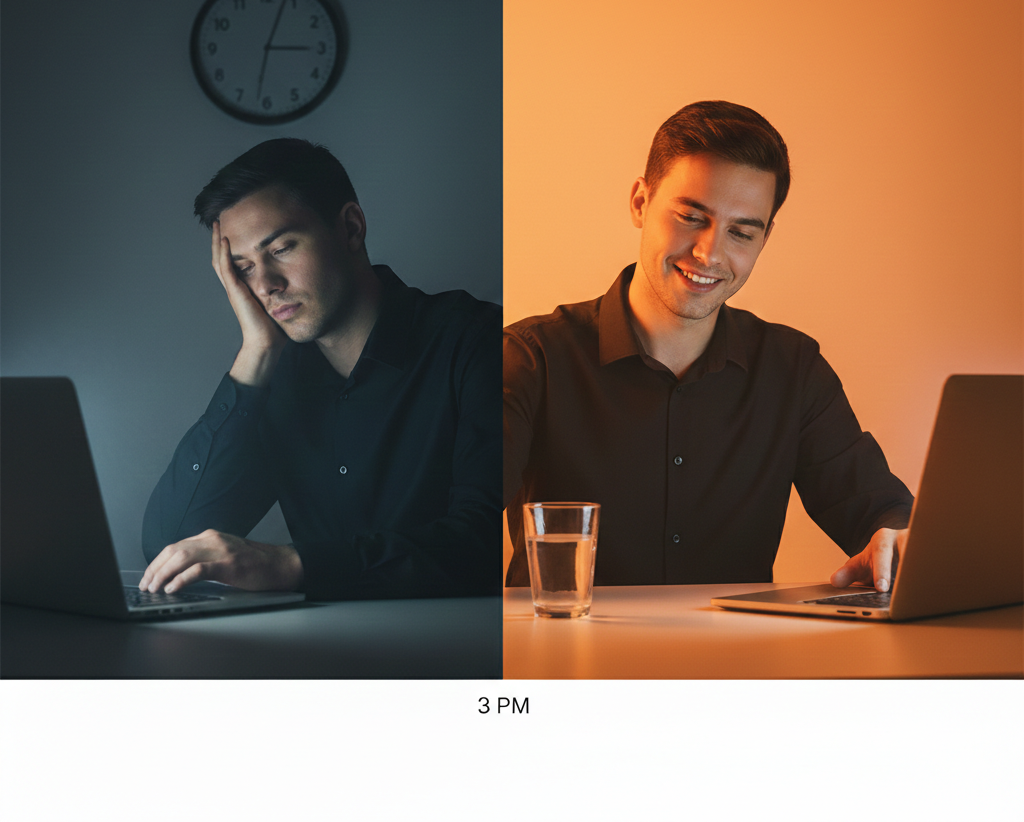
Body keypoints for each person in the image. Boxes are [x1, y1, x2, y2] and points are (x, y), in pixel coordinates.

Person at [503, 101, 913, 591]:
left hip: (737, 665)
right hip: (564, 658)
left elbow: (878, 510)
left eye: (742, 232)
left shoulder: (794, 368)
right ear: (640, 202)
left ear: (765, 239)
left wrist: (896, 540)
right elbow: (456, 513)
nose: (710, 253)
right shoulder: (529, 358)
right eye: (691, 217)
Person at [141, 138, 501, 600]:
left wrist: (295, 564)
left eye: (282, 248)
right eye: (244, 268)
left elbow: (485, 543)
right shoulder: (274, 380)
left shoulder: (476, 343)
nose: (266, 285)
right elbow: (171, 547)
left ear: (350, 228)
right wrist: (255, 352)